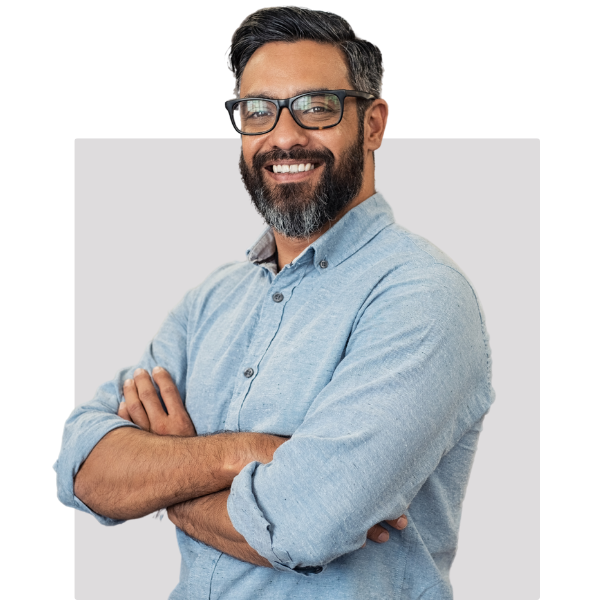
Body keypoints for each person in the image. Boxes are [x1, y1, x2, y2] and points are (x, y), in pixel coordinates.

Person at [55, 7, 494, 599]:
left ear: (372, 124)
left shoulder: (422, 297)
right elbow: (81, 468)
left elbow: (303, 526)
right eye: (258, 110)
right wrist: (248, 453)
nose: (284, 136)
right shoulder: (211, 300)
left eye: (316, 106)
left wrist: (165, 473)